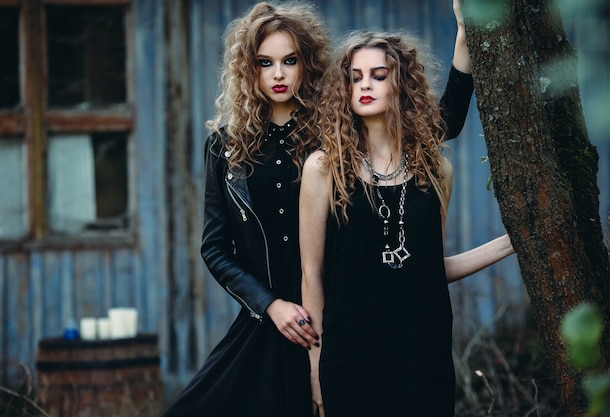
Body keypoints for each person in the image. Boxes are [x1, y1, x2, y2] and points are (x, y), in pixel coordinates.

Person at [162, 1, 476, 416]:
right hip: (270, 317)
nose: (278, 74)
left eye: (289, 60)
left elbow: (438, 122)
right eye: (264, 62)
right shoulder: (227, 146)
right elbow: (215, 248)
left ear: (307, 62)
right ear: (247, 68)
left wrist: (463, 36)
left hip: (337, 316)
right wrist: (269, 304)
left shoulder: (333, 129)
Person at [298, 29, 515, 417]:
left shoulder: (436, 172)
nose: (365, 85)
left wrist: (510, 243)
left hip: (421, 349)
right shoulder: (323, 167)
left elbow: (428, 268)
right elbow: (311, 275)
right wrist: (315, 364)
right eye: (355, 76)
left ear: (402, 84)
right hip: (349, 351)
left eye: (379, 75)